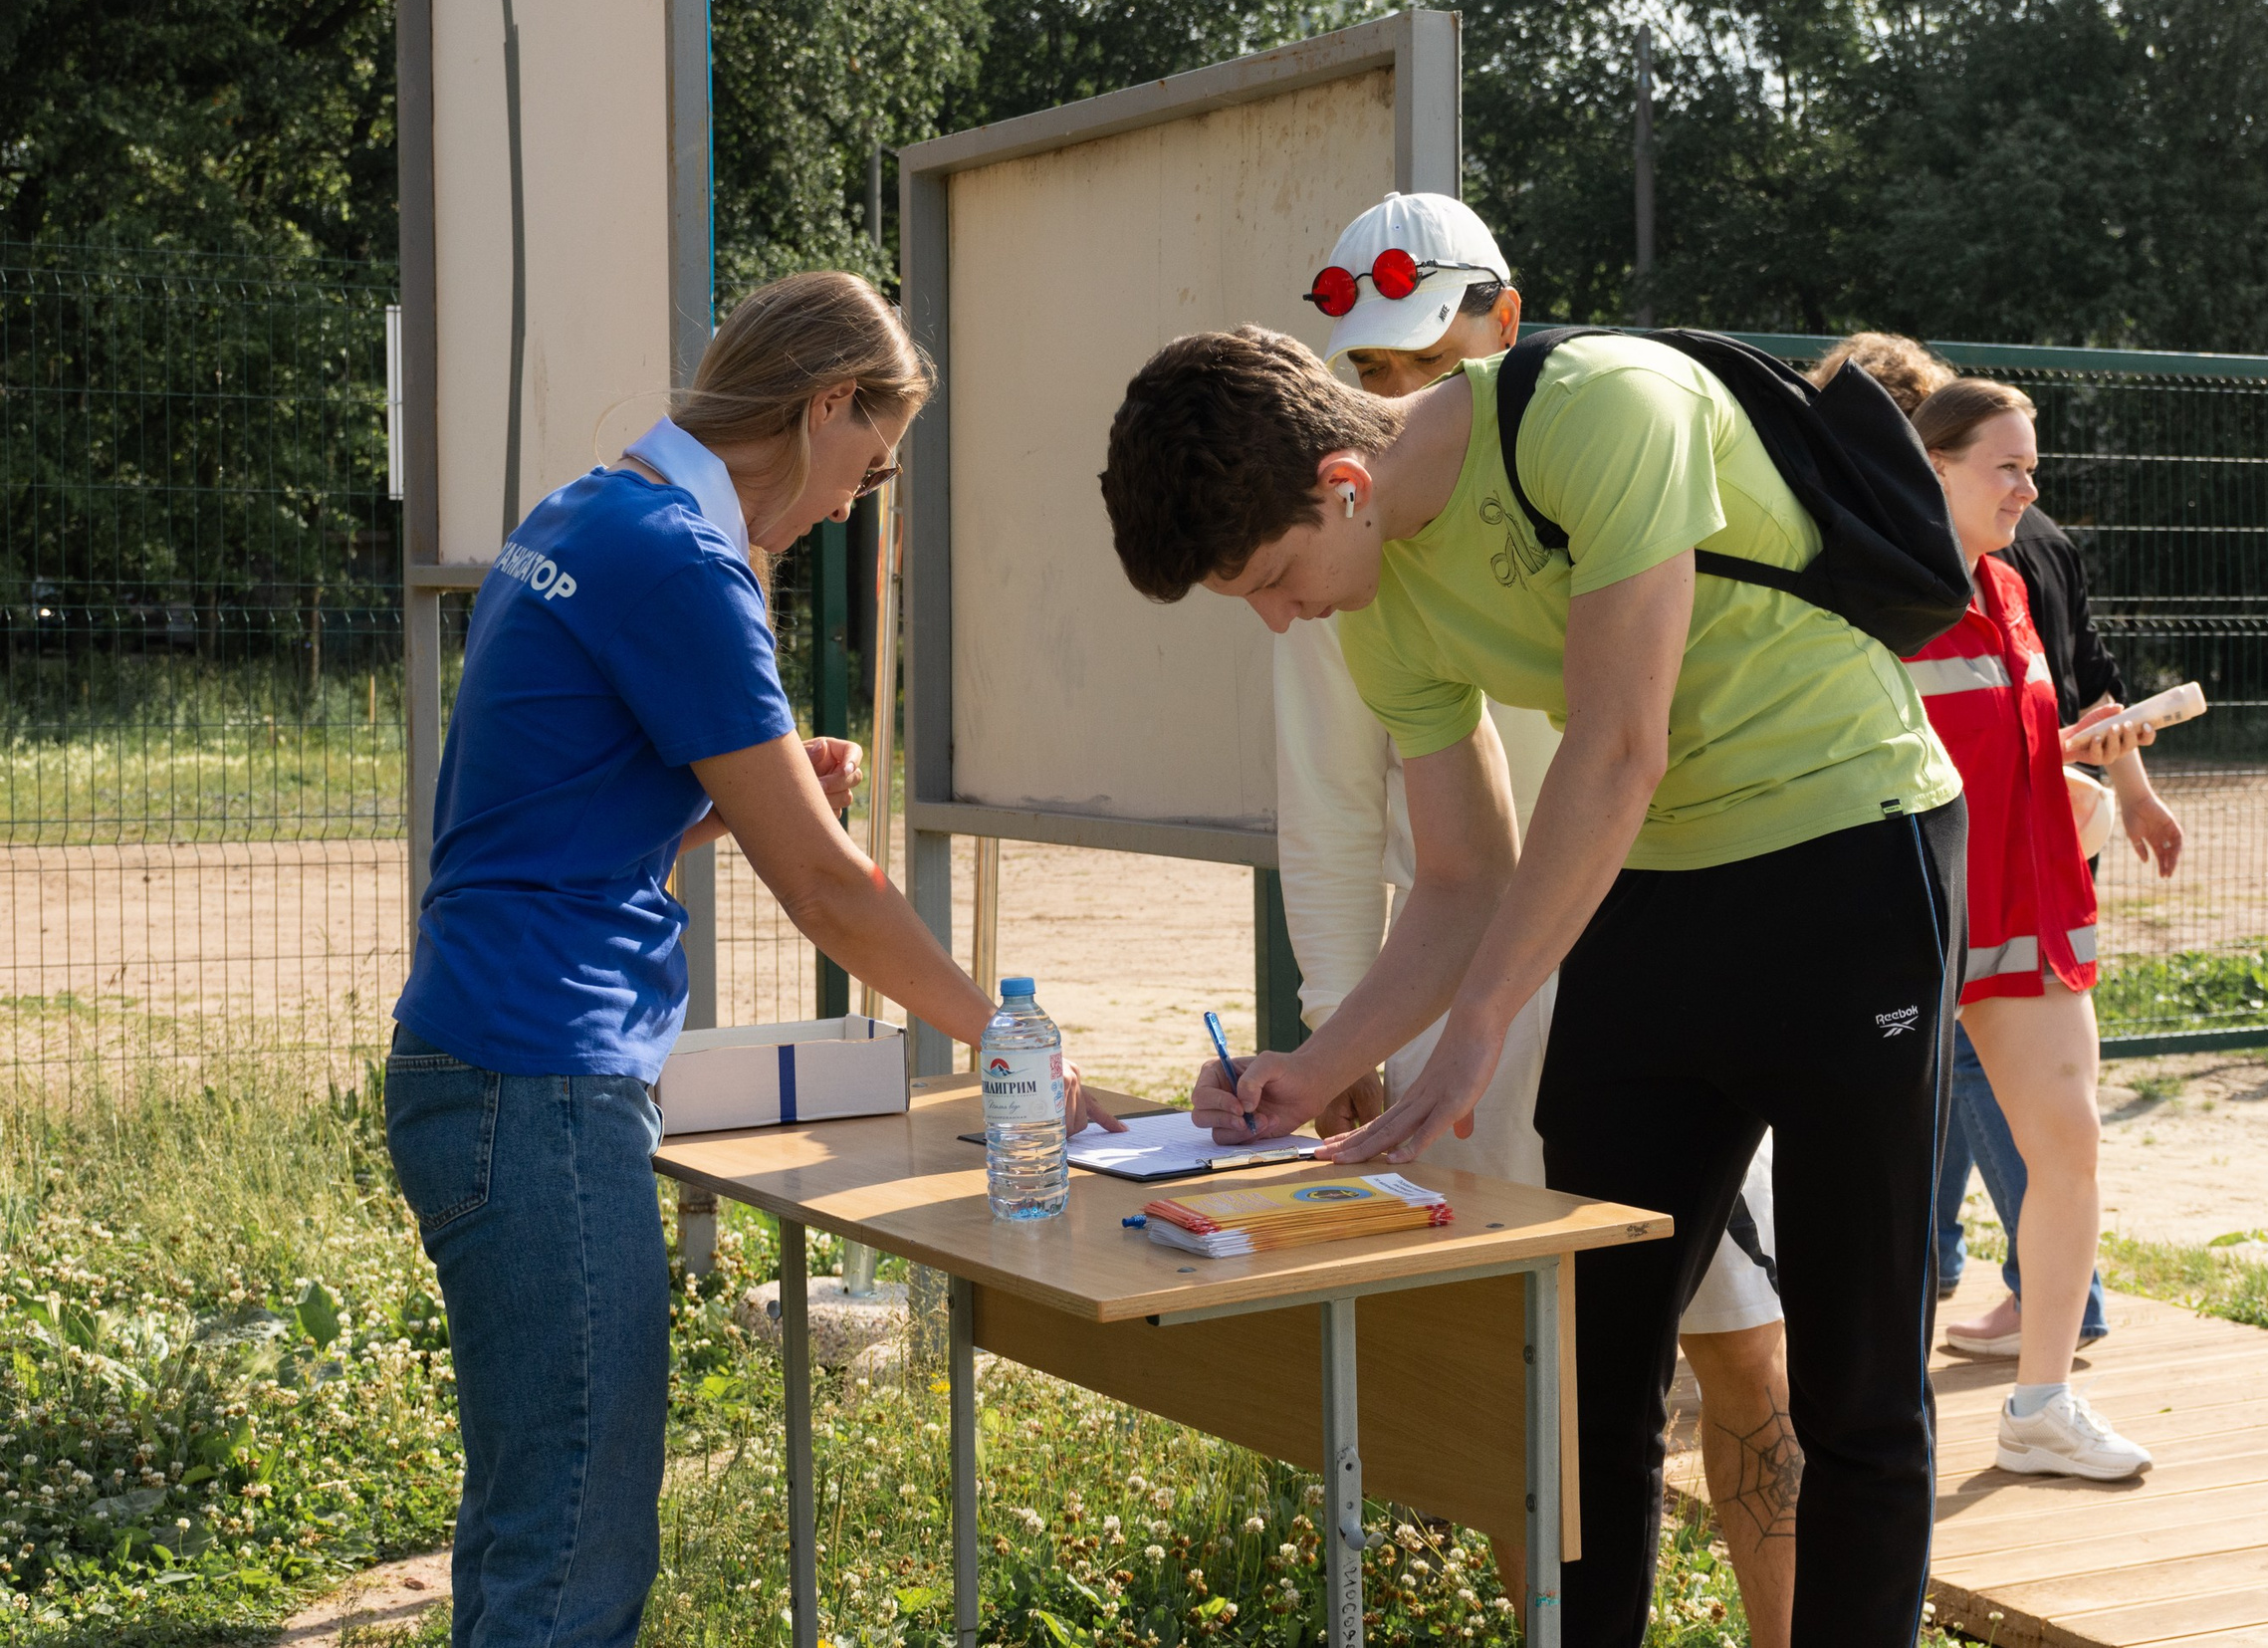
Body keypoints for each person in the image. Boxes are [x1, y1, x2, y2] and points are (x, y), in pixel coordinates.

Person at [1101, 319, 1967, 1646]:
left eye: (1273, 577)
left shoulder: (1602, 409)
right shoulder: (1375, 600)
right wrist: (1310, 1072)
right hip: (1660, 891)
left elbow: (1620, 746)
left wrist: (1484, 1022)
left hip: (1847, 862)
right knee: (1579, 1382)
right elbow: (1463, 877)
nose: (1281, 616)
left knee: (1857, 1383)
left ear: (1345, 482)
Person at [387, 271, 1117, 1648]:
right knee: (574, 1547)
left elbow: (558, 820)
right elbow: (835, 898)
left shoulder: (588, 511)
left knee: (530, 1512)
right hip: (540, 1075)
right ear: (825, 402)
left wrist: (726, 802)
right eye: (871, 460)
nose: (857, 499)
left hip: (485, 1055)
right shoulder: (682, 557)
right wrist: (1012, 1042)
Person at [1282, 192, 1793, 1645]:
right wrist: (1348, 1038)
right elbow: (1328, 816)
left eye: (1424, 362)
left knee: (1752, 1351)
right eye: (1368, 376)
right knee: (1544, 1387)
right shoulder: (1323, 545)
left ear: (1506, 328)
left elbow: (1650, 732)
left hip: (1665, 972)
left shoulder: (1586, 460)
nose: (1396, 404)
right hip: (1473, 1040)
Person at [1905, 376, 2153, 1481]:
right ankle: (1843, 1405)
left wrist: (2082, 781)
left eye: (2030, 464)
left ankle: (2039, 1406)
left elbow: (2007, 745)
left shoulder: (2008, 586)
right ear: (1935, 468)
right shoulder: (1882, 598)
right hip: (1911, 920)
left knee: (2071, 1145)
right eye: (2005, 465)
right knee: (1872, 1172)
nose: (2028, 486)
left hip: (2029, 908)